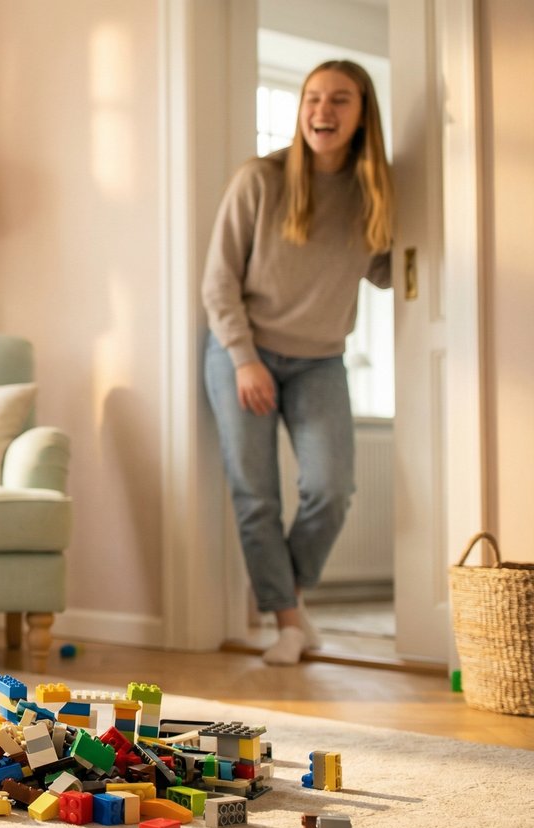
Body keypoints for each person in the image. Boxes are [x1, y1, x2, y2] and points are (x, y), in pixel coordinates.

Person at [200, 60, 394, 666]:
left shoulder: (370, 194)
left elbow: (391, 270)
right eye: (313, 98)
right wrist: (244, 359)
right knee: (256, 495)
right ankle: (287, 621)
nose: (322, 111)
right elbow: (218, 281)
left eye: (339, 100)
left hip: (320, 361)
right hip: (242, 353)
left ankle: (289, 595)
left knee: (331, 489)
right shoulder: (260, 179)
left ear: (363, 114)